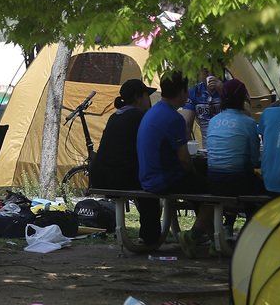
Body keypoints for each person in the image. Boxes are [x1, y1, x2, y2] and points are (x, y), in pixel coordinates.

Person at [136, 71, 215, 252]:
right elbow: (185, 160)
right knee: (214, 191)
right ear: (182, 92)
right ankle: (194, 235)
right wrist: (195, 173)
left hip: (146, 176)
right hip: (164, 179)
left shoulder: (153, 111)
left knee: (198, 184)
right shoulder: (174, 118)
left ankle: (204, 234)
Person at [89, 78, 161, 248]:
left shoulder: (116, 116)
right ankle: (150, 238)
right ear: (138, 97)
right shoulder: (140, 116)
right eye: (146, 96)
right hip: (118, 177)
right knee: (152, 187)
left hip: (99, 176)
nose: (149, 101)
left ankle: (148, 237)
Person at [204, 79, 263, 202]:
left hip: (213, 181)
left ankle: (229, 219)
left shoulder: (213, 121)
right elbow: (254, 159)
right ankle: (252, 219)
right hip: (238, 182)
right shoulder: (249, 122)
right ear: (243, 99)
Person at [182, 67, 224, 140]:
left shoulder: (231, 87)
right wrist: (189, 145)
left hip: (229, 144)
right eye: (206, 71)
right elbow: (186, 122)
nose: (210, 75)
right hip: (207, 146)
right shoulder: (194, 91)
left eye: (214, 71)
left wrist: (223, 92)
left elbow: (244, 115)